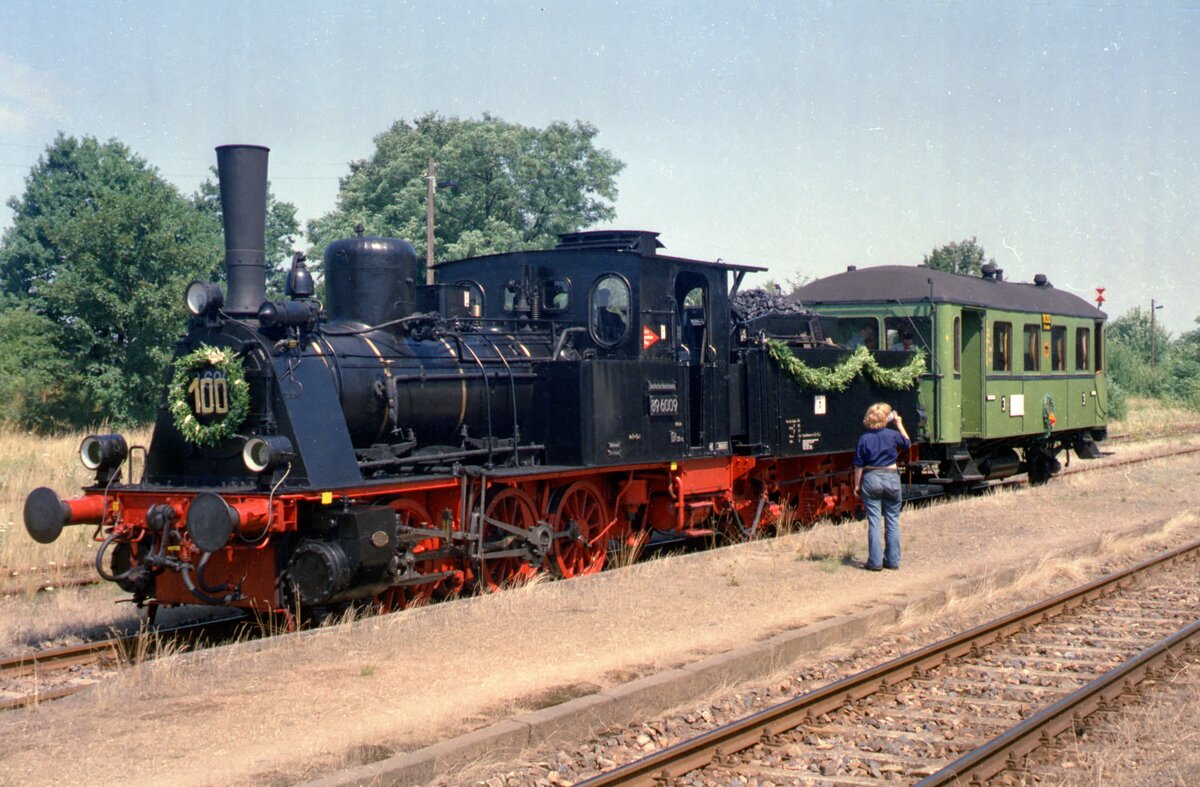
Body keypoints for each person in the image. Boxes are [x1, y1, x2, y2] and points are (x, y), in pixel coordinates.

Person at [853, 403, 911, 571]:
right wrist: (899, 424)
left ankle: (875, 562)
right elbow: (907, 443)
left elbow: (858, 466)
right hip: (891, 477)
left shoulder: (864, 438)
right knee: (892, 520)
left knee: (874, 521)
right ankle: (892, 561)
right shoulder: (892, 435)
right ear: (886, 419)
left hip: (871, 478)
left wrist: (856, 485)